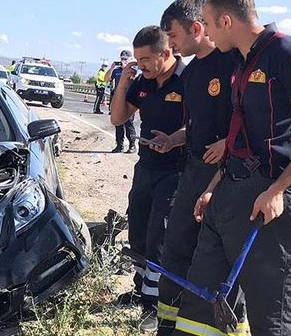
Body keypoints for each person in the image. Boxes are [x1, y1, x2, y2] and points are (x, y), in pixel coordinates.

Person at [172, 1, 291, 335]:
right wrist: (213, 188)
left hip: (271, 197)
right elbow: (240, 136)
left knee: (272, 316)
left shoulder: (286, 53)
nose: (204, 31)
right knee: (201, 304)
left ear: (225, 20)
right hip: (230, 191)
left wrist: (278, 189)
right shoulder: (241, 61)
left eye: (207, 23)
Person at [153, 1, 249, 335]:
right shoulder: (191, 72)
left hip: (229, 175)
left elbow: (247, 116)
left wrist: (228, 143)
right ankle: (170, 321)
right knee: (178, 244)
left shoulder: (234, 61)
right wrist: (174, 139)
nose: (170, 45)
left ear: (197, 28)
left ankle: (229, 325)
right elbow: (196, 126)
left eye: (174, 35)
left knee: (220, 257)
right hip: (193, 171)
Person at [109, 26, 185, 333]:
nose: (141, 65)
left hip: (176, 170)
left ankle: (157, 306)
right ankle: (142, 291)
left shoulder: (189, 80)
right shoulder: (142, 81)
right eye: (137, 60)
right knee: (138, 231)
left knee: (159, 236)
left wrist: (174, 140)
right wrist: (124, 82)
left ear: (165, 53)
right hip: (146, 167)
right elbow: (117, 118)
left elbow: (203, 126)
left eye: (145, 59)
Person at [105, 50, 138, 153]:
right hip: (117, 99)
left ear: (130, 59)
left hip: (129, 99)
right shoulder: (116, 70)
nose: (123, 60)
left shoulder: (133, 70)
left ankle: (132, 145)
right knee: (118, 122)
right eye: (122, 58)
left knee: (128, 123)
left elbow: (135, 79)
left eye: (125, 59)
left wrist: (126, 69)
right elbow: (106, 79)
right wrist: (111, 68)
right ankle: (119, 145)